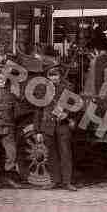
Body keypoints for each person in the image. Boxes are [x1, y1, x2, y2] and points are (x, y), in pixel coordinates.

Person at [34, 63, 78, 191]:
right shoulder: (42, 90)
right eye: (51, 76)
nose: (54, 78)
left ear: (60, 76)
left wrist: (67, 114)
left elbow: (75, 106)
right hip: (47, 126)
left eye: (56, 75)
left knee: (65, 154)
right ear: (48, 77)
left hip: (63, 126)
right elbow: (38, 111)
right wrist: (37, 131)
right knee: (51, 155)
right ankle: (54, 181)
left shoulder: (68, 89)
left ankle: (67, 182)